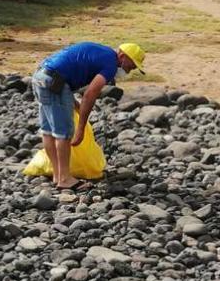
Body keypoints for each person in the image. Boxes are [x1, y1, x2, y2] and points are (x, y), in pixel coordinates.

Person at [32, 42, 145, 191]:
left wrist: (74, 104)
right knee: (63, 134)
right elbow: (90, 94)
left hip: (41, 76)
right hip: (54, 82)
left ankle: (58, 174)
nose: (130, 71)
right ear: (122, 56)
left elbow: (67, 70)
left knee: (48, 131)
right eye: (130, 66)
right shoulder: (111, 64)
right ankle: (65, 178)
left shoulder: (103, 53)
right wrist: (80, 129)